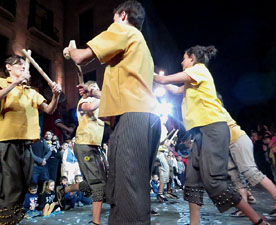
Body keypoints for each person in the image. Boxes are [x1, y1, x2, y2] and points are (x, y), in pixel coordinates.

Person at [63, 1, 161, 224]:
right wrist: (96, 94)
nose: (112, 22)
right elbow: (125, 87)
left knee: (127, 190)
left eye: (114, 17)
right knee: (130, 187)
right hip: (144, 115)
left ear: (123, 15)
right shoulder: (139, 44)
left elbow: (81, 57)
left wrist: (70, 50)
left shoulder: (123, 29)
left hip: (132, 116)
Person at [154, 45, 269, 225]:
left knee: (215, 183)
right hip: (201, 132)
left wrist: (150, 74)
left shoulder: (199, 70)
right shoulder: (191, 79)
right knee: (192, 182)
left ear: (192, 59)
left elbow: (164, 79)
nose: (181, 61)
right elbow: (174, 89)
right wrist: (158, 81)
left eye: (184, 58)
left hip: (213, 129)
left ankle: (258, 221)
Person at [0, 55, 61, 224]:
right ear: (8, 67)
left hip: (25, 144)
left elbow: (49, 110)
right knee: (8, 192)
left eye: (25, 66)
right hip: (4, 142)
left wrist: (55, 95)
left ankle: (12, 221)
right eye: (19, 65)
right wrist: (15, 83)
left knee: (22, 189)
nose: (23, 67)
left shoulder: (32, 92)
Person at [59, 81, 106, 225]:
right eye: (94, 89)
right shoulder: (84, 101)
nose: (96, 92)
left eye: (97, 90)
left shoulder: (102, 105)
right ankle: (96, 222)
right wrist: (97, 95)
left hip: (95, 146)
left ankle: (64, 190)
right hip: (84, 144)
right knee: (98, 184)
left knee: (96, 181)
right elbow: (90, 107)